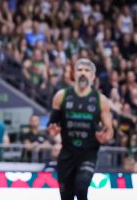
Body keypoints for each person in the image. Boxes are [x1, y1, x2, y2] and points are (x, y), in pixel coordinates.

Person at [48, 59, 113, 200]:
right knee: (66, 196)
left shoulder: (100, 100)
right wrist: (54, 133)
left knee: (82, 188)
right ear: (74, 74)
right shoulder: (61, 96)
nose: (83, 73)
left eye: (87, 70)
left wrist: (105, 137)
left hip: (88, 153)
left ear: (93, 76)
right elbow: (53, 124)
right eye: (80, 70)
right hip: (67, 153)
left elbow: (109, 130)